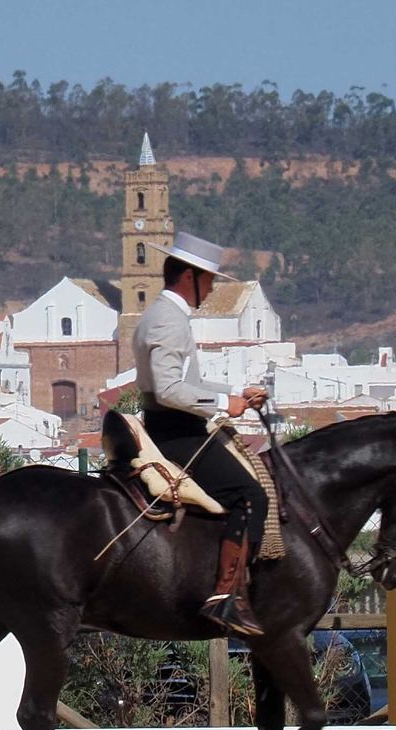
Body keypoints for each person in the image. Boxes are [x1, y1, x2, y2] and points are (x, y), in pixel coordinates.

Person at [132, 231, 272, 636]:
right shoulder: (168, 322)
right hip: (178, 432)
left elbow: (182, 383)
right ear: (189, 277)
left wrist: (233, 396)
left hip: (174, 423)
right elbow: (170, 390)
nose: (211, 290)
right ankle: (226, 596)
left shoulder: (161, 316)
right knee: (249, 495)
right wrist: (222, 406)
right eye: (209, 280)